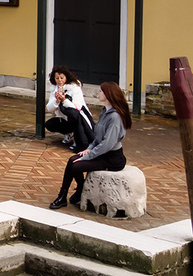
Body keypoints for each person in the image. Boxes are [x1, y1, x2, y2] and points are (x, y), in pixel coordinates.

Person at [50, 81, 130, 210]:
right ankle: (63, 196)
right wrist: (88, 149)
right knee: (72, 160)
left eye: (101, 91)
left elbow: (107, 144)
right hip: (102, 152)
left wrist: (88, 156)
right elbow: (98, 138)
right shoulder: (105, 111)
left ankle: (79, 190)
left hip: (112, 159)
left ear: (108, 95)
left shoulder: (115, 117)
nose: (98, 93)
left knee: (76, 165)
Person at [44, 66, 92, 152]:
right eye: (57, 78)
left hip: (78, 118)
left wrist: (65, 100)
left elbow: (77, 107)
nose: (59, 80)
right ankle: (68, 133)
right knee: (49, 124)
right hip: (64, 118)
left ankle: (78, 140)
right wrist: (56, 101)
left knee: (74, 117)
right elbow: (49, 108)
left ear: (66, 78)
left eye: (62, 78)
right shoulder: (55, 89)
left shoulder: (74, 88)